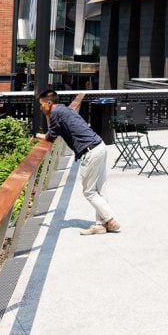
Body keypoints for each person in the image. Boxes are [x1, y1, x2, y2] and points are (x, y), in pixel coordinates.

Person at [35, 90, 120, 236]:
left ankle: (110, 220)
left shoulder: (55, 113)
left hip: (90, 151)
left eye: (42, 105)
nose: (41, 108)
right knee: (100, 188)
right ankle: (100, 225)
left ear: (49, 103)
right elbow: (54, 131)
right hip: (99, 145)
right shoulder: (64, 109)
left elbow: (50, 136)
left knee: (89, 191)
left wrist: (36, 135)